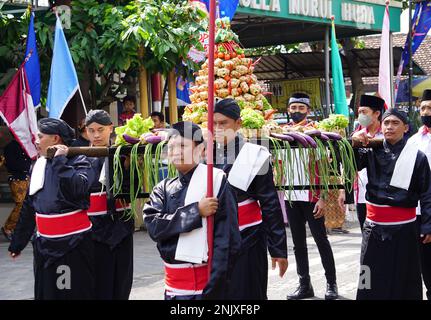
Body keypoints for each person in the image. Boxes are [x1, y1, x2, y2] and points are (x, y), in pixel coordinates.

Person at [143, 121, 241, 300]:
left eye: (182, 146)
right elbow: (154, 227)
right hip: (173, 290)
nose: (176, 151)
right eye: (171, 147)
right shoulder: (162, 188)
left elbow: (227, 240)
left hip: (208, 289)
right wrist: (195, 211)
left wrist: (215, 288)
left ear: (201, 149)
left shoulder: (216, 183)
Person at [8, 118, 95, 300]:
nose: (36, 141)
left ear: (55, 139)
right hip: (44, 246)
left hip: (73, 245)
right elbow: (30, 206)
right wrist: (18, 242)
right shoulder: (38, 165)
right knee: (46, 293)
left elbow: (78, 188)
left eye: (40, 136)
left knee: (69, 293)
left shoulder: (80, 161)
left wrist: (60, 162)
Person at [213, 98, 288, 300]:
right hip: (216, 239)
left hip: (248, 238)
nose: (218, 129)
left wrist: (278, 248)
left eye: (223, 123)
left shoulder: (254, 153)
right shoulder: (206, 153)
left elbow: (270, 204)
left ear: (238, 123)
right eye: (214, 123)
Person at [353, 108, 431, 300]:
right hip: (374, 228)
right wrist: (354, 142)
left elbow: (427, 193)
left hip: (404, 229)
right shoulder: (370, 150)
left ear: (405, 127)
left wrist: (428, 225)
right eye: (386, 123)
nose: (389, 127)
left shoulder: (417, 156)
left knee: (405, 277)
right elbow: (349, 164)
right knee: (368, 276)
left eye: (395, 123)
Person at [282, 92, 338, 300]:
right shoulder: (282, 133)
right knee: (297, 243)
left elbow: (325, 167)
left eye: (301, 108)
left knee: (321, 240)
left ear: (308, 110)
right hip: (290, 194)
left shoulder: (317, 133)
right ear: (288, 110)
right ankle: (304, 285)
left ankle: (331, 284)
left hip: (312, 195)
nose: (297, 112)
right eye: (293, 108)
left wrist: (322, 197)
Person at [85, 110, 134, 299]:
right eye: (91, 130)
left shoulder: (124, 154)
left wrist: (131, 165)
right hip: (93, 232)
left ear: (110, 129)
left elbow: (133, 188)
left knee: (121, 283)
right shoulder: (79, 158)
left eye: (100, 129)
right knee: (98, 285)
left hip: (121, 228)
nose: (96, 135)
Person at [338, 95, 385, 232]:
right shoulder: (356, 136)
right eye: (359, 112)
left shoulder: (385, 135)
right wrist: (343, 190)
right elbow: (348, 165)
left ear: (376, 114)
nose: (360, 116)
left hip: (383, 194)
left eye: (364, 112)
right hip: (362, 195)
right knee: (365, 233)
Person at [407, 89, 431, 300]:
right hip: (420, 211)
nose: (426, 112)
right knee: (425, 264)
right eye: (423, 108)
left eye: (430, 108)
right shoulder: (413, 140)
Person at [1, 137, 32, 241]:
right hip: (17, 178)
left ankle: (22, 230)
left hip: (27, 177)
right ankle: (8, 228)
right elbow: (11, 164)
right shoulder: (10, 147)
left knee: (28, 204)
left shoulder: (26, 145)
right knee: (21, 204)